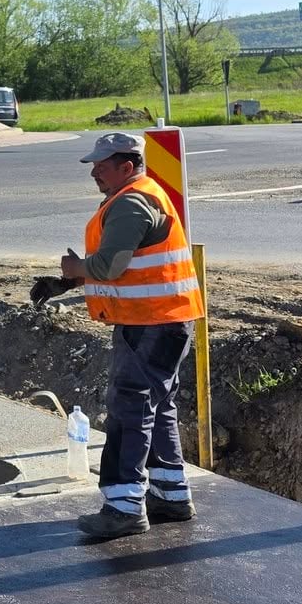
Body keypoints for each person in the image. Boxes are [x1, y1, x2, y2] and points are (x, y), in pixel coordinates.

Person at [47, 131, 204, 542]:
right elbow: (131, 265)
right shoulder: (139, 196)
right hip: (164, 320)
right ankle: (170, 494)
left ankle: (123, 506)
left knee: (130, 408)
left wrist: (74, 269)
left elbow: (111, 264)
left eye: (102, 165)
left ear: (127, 166)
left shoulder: (132, 202)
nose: (94, 172)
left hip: (150, 323)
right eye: (93, 166)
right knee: (158, 405)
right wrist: (69, 281)